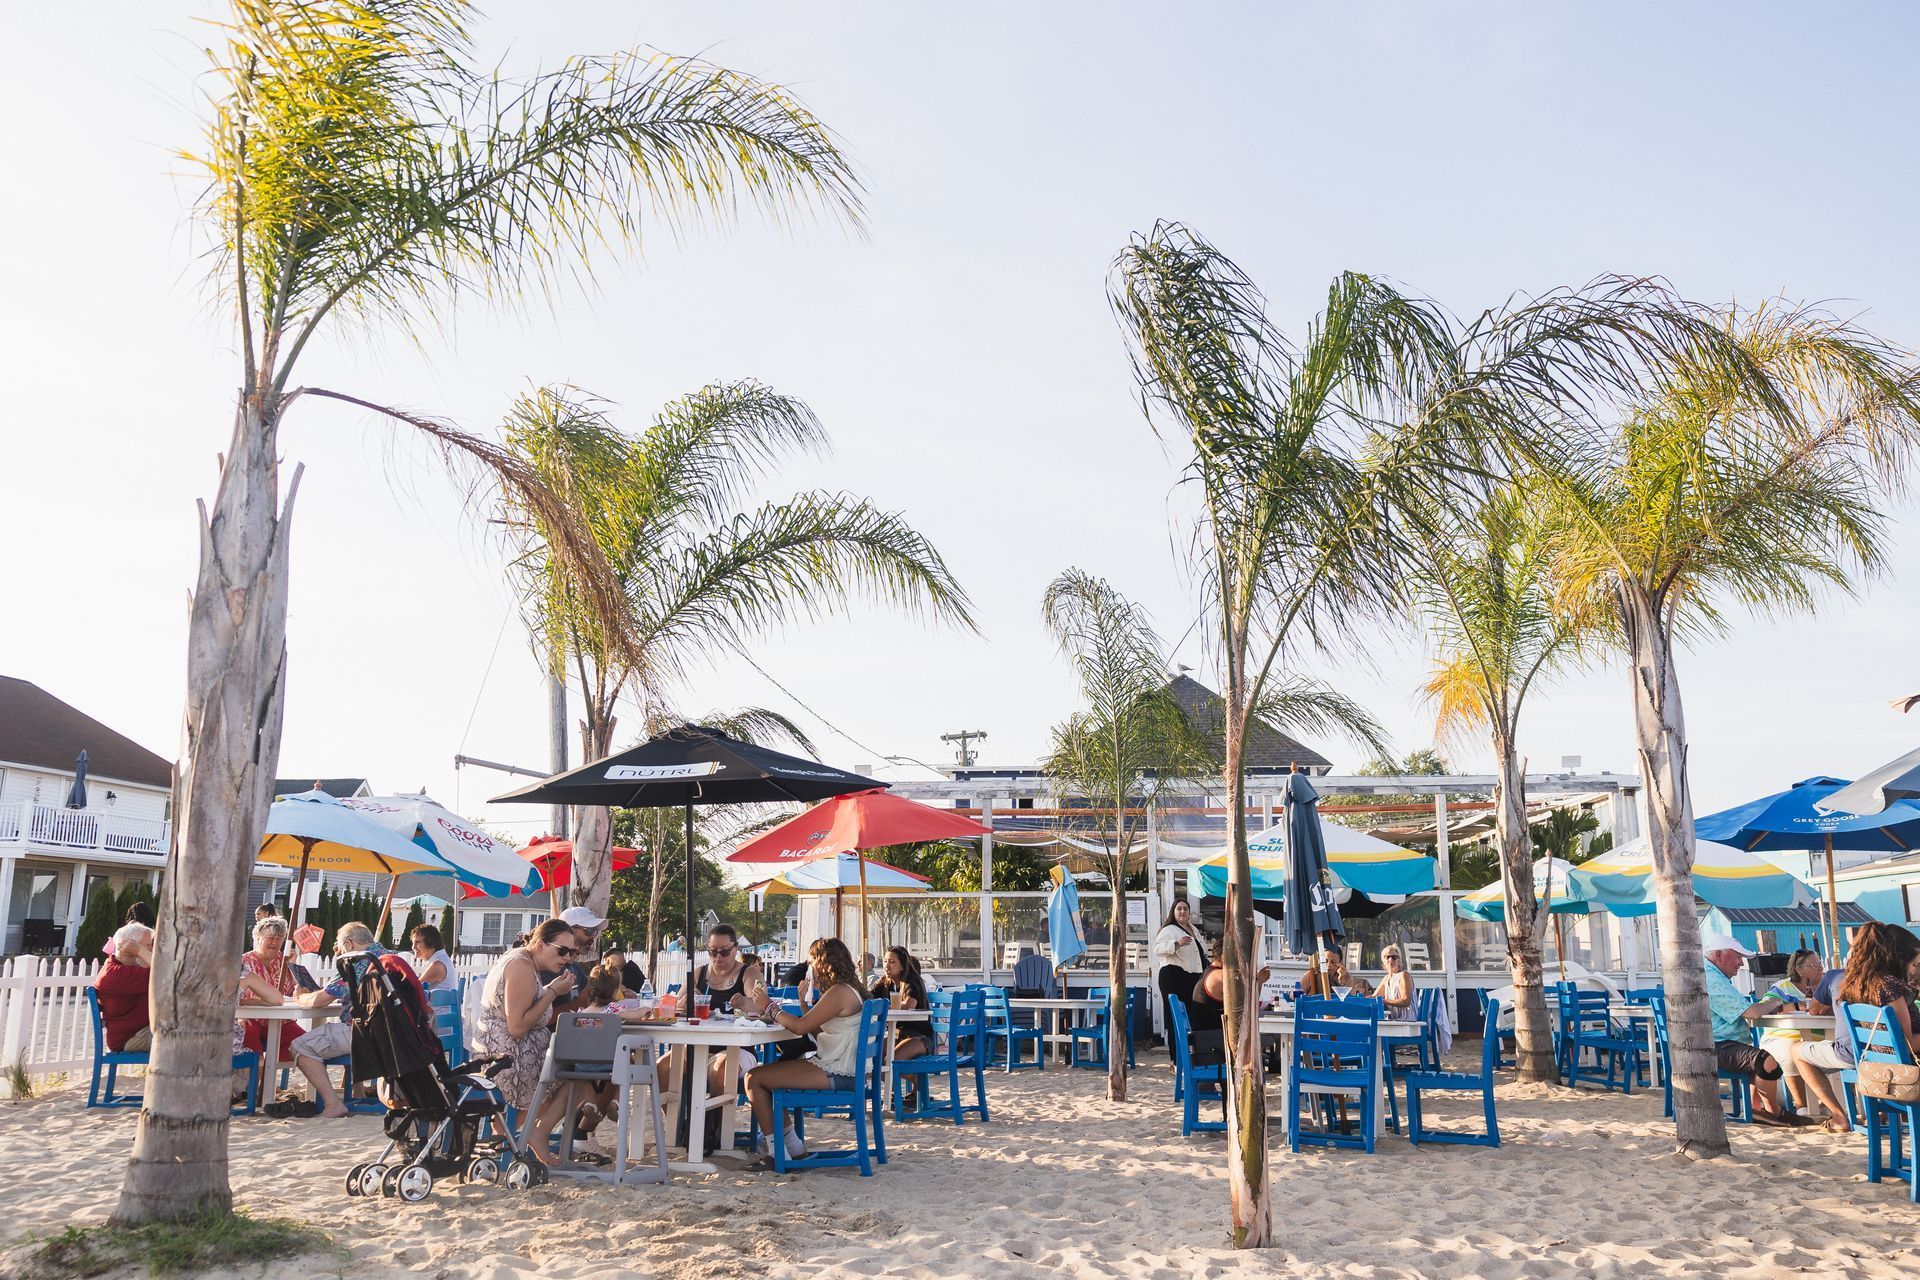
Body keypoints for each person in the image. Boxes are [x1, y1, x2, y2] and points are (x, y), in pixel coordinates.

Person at [743, 938, 869, 1164]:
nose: (809, 968)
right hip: (844, 1068)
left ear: (823, 963)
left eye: (812, 962)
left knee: (754, 1078)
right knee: (770, 1076)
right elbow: (817, 1029)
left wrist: (768, 1006)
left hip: (838, 1072)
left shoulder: (839, 992)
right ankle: (793, 1147)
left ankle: (776, 1153)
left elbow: (800, 1027)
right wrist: (803, 1005)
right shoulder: (847, 989)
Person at [280, 921, 396, 1119]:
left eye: (340, 946)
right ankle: (356, 1092)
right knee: (335, 1033)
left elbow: (318, 1001)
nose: (339, 952)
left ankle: (333, 1103)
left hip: (365, 1035)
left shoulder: (357, 962)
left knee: (300, 1046)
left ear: (349, 944)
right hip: (393, 1034)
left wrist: (300, 996)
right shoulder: (391, 958)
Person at [473, 918, 580, 1127]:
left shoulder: (524, 962)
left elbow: (525, 1006)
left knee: (579, 1072)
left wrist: (549, 989)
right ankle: (514, 1134)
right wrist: (553, 992)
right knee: (577, 1076)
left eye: (571, 953)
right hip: (507, 1059)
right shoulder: (520, 965)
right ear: (540, 945)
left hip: (514, 1053)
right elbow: (517, 1027)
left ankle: (528, 1134)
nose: (567, 958)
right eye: (562, 951)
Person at [1702, 934, 1807, 1127]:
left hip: (1715, 1042)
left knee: (1757, 1058)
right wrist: (1775, 1002)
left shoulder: (1711, 974)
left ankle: (1757, 1109)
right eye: (1737, 957)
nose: (1741, 964)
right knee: (1765, 1061)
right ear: (1718, 955)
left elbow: (1749, 1010)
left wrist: (1766, 1006)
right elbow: (1751, 1012)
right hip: (1714, 1046)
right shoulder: (1711, 978)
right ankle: (1774, 1112)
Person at [1751, 947, 1824, 1113]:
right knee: (1791, 1049)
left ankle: (1825, 1104)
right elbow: (1766, 1008)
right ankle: (1802, 1105)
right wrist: (1797, 1005)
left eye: (1820, 964)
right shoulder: (1783, 988)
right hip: (1780, 1036)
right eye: (1814, 966)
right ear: (1799, 969)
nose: (1820, 968)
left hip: (1817, 1034)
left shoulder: (1825, 987)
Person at [239, 916, 302, 1064]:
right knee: (248, 1033)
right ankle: (258, 1080)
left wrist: (292, 967)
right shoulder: (245, 961)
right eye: (270, 937)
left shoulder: (284, 961)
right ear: (259, 938)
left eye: (279, 938)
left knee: (303, 1042)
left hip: (280, 1020)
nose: (274, 942)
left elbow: (297, 991)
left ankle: (270, 1078)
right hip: (251, 1018)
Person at [94, 922, 154, 1052]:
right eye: (148, 945)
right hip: (131, 1038)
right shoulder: (117, 974)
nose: (151, 949)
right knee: (182, 1038)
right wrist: (140, 951)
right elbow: (168, 973)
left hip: (142, 1031)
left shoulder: (122, 969)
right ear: (129, 947)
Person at [870, 946, 932, 1063]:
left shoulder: (913, 981)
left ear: (903, 966)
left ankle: (918, 1081)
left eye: (892, 962)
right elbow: (867, 997)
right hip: (896, 1033)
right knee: (873, 1059)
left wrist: (884, 1006)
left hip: (918, 1036)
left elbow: (909, 1005)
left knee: (890, 1062)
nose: (887, 966)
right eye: (885, 961)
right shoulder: (885, 982)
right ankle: (908, 1080)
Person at [1152, 900, 1208, 1012]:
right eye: (1179, 908)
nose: (1183, 911)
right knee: (1177, 1013)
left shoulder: (1193, 929)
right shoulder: (1168, 929)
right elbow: (1157, 949)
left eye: (1185, 908)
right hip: (1174, 977)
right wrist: (1177, 944)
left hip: (1192, 977)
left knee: (1191, 1012)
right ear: (1173, 912)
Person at [408, 923, 457, 994]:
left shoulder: (438, 965)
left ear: (431, 943)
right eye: (413, 942)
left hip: (436, 1005)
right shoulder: (442, 959)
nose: (413, 947)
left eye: (418, 943)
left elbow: (414, 988)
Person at [1303, 950, 1371, 998]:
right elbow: (1294, 994)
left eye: (1333, 962)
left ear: (1340, 963)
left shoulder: (1347, 977)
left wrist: (1342, 980)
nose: (1328, 965)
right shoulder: (1312, 975)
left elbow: (1351, 998)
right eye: (1325, 961)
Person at [1374, 944, 1416, 1021]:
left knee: (1374, 1027)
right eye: (1388, 957)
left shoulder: (1403, 975)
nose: (1391, 960)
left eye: (1394, 957)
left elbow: (1406, 1001)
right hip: (1393, 1020)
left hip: (1406, 1020)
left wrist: (1383, 1001)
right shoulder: (1386, 978)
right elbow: (1374, 997)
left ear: (1398, 960)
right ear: (1383, 960)